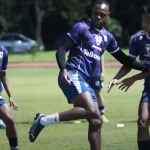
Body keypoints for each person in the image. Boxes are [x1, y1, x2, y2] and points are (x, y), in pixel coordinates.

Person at [29, 0, 148, 149]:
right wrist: (63, 68)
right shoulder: (81, 28)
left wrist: (145, 67)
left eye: (102, 15)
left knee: (96, 121)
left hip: (87, 82)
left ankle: (43, 120)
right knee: (93, 112)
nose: (98, 17)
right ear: (91, 14)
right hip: (72, 73)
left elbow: (124, 59)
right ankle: (43, 120)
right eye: (96, 13)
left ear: (108, 16)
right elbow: (61, 48)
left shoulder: (108, 37)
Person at [108, 6, 150, 150]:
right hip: (149, 88)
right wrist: (116, 77)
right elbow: (129, 63)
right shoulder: (138, 39)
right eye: (144, 19)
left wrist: (133, 79)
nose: (144, 22)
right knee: (143, 121)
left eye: (147, 19)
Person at [0, 46, 19, 150]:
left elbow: (2, 75)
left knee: (9, 121)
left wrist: (10, 96)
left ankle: (14, 148)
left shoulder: (3, 51)